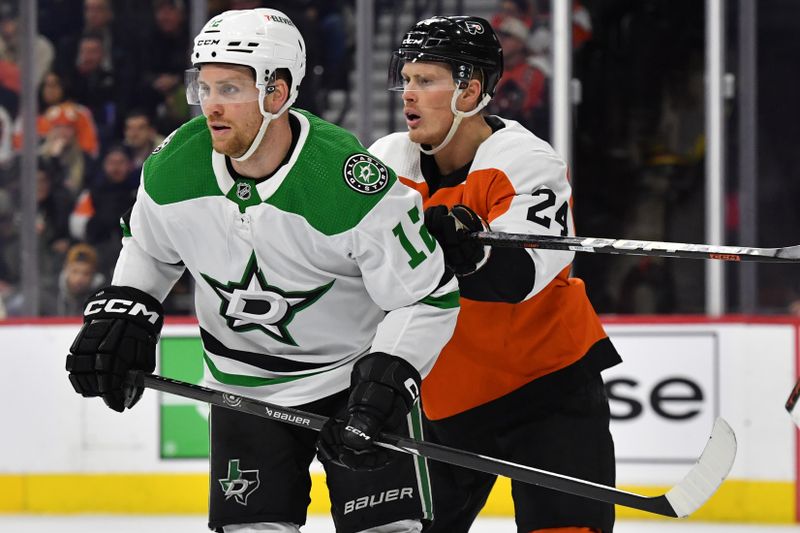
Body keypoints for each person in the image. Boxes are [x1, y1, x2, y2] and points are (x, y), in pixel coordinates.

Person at [65, 8, 460, 533]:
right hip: (242, 388)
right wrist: (127, 309)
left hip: (351, 382)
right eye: (203, 88)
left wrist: (387, 383)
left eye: (229, 88)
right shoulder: (173, 168)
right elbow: (151, 249)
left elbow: (427, 294)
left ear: (277, 93)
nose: (210, 106)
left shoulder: (346, 185)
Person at [369, 16, 622, 533]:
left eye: (427, 81)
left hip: (545, 390)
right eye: (408, 79)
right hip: (443, 400)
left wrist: (470, 252)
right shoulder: (386, 162)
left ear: (471, 90)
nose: (408, 96)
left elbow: (519, 276)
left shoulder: (526, 162)